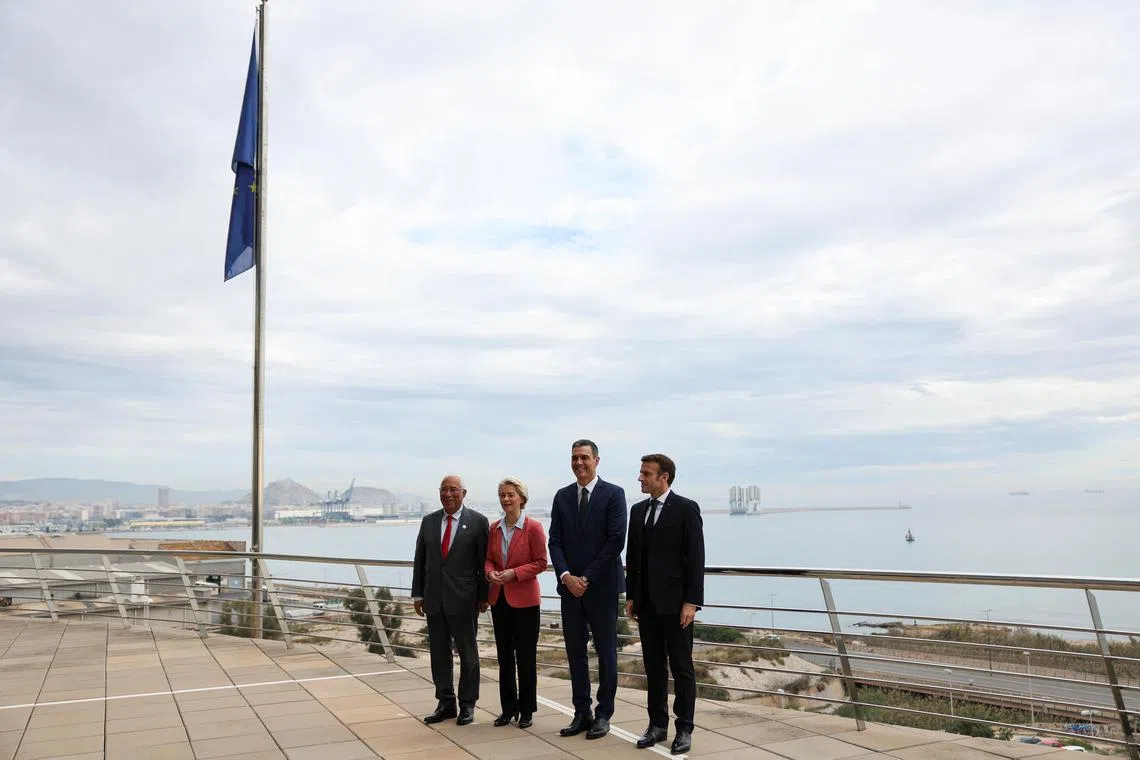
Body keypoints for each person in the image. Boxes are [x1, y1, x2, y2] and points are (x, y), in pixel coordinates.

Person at [548, 439, 628, 740]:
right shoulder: (562, 496)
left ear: (596, 460)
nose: (579, 463)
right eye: (574, 458)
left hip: (602, 588)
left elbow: (615, 541)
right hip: (570, 589)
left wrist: (587, 578)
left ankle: (603, 714)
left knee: (607, 653)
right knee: (575, 653)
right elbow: (554, 540)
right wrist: (567, 575)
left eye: (584, 458)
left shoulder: (614, 494)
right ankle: (581, 712)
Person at [625, 454, 705, 755]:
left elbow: (696, 558)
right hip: (646, 605)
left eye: (646, 474)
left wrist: (692, 602)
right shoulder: (637, 510)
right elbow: (632, 558)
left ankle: (684, 728)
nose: (641, 478)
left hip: (677, 605)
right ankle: (657, 725)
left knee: (682, 668)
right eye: (641, 472)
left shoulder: (686, 509)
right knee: (654, 667)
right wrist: (631, 596)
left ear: (664, 477)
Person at [412, 475, 490, 726]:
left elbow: (483, 563)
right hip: (434, 599)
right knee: (438, 655)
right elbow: (420, 560)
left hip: (465, 600)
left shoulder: (478, 523)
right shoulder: (429, 521)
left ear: (463, 493)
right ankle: (446, 703)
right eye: (444, 489)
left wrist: (483, 596)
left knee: (469, 656)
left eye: (453, 490)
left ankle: (468, 705)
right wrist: (418, 594)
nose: (448, 494)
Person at [485, 477, 548, 729]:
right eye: (502, 495)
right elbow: (488, 559)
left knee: (525, 657)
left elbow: (541, 562)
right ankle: (507, 709)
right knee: (504, 658)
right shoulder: (494, 528)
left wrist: (515, 573)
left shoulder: (533, 528)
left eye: (511, 494)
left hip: (525, 601)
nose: (506, 499)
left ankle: (527, 710)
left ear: (521, 498)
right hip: (499, 599)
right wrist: (490, 573)